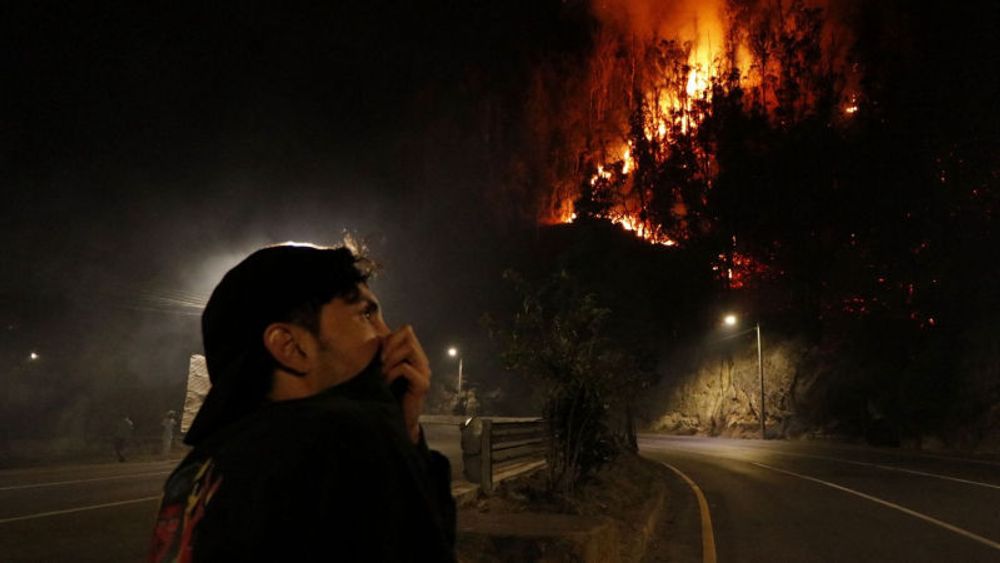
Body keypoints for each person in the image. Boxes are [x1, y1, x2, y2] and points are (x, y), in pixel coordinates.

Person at [149, 243, 456, 562]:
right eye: (366, 314)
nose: (391, 336)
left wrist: (404, 429)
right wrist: (397, 437)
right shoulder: (345, 437)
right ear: (290, 346)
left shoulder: (196, 470)